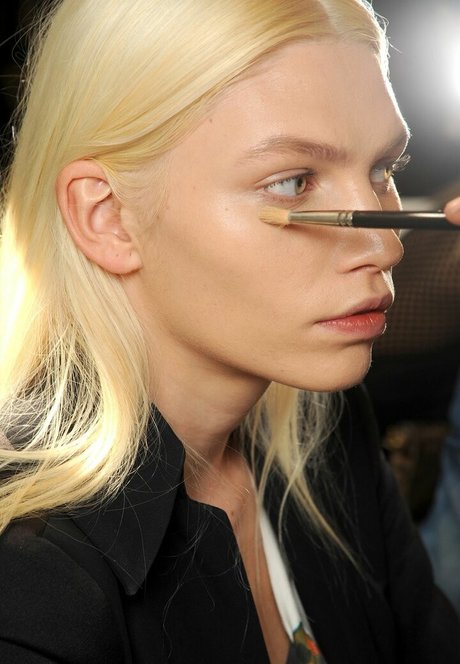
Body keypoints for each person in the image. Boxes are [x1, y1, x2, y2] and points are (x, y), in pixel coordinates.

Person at [0, 1, 458, 663]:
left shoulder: (326, 435)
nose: (386, 246)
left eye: (384, 170)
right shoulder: (30, 583)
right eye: (292, 181)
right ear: (107, 217)